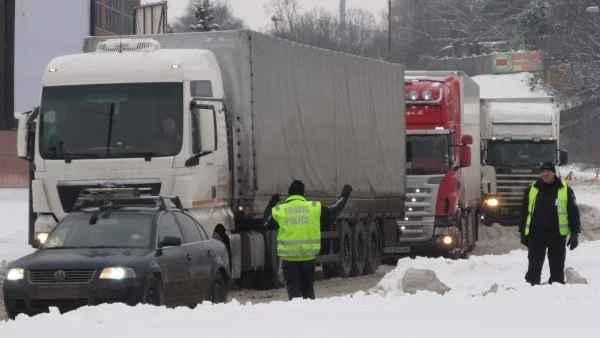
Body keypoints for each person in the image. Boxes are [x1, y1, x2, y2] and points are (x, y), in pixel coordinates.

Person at [263, 180, 353, 300]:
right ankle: (309, 316)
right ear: (302, 193)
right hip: (308, 261)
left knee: (294, 296)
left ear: (290, 194)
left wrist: (271, 204)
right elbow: (333, 212)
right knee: (308, 294)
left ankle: (297, 315)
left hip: (289, 262)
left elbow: (266, 224)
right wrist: (344, 196)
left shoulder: (280, 210)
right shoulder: (314, 208)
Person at [519, 161, 581, 286]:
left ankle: (556, 292)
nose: (545, 174)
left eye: (548, 171)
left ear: (554, 173)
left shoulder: (565, 190)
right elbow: (524, 213)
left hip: (556, 236)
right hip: (536, 235)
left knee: (557, 268)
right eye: (543, 171)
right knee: (534, 268)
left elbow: (573, 213)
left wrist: (575, 233)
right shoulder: (531, 189)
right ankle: (530, 290)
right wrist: (523, 233)